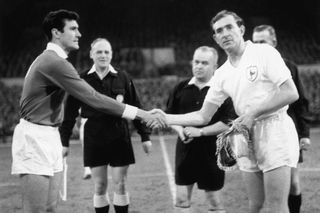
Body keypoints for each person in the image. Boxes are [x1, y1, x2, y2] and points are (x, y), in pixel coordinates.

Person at [11, 9, 163, 213]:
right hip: (35, 137)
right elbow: (93, 98)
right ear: (56, 33)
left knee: (49, 208)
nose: (79, 34)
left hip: (49, 135)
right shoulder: (53, 62)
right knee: (36, 210)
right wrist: (141, 114)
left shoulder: (55, 61)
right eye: (73, 29)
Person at [152, 10, 300, 213]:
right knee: (255, 205)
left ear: (241, 29)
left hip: (275, 130)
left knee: (276, 206)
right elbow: (202, 116)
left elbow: (290, 93)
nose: (225, 33)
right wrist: (166, 117)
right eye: (219, 30)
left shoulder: (263, 53)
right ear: (215, 38)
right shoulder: (222, 74)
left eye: (229, 27)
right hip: (246, 134)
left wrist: (252, 113)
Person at [59, 38, 152, 213]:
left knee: (121, 183)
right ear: (91, 54)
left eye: (106, 52)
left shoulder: (123, 77)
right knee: (100, 186)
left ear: (111, 54)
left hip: (119, 134)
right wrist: (64, 142)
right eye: (99, 52)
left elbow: (136, 107)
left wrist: (145, 136)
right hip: (94, 136)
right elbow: (69, 113)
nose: (103, 55)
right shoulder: (81, 79)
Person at [166, 46, 237, 213]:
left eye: (204, 63)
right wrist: (180, 131)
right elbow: (171, 116)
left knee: (214, 201)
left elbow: (228, 123)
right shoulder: (180, 88)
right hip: (185, 151)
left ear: (215, 66)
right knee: (182, 199)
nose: (198, 66)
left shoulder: (223, 90)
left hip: (213, 152)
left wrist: (201, 132)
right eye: (196, 62)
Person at [252, 25, 311, 213]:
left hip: (287, 132)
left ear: (274, 42)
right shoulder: (250, 70)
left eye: (263, 41)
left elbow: (300, 102)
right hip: (259, 134)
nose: (259, 46)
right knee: (264, 189)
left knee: (293, 183)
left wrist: (304, 134)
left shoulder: (288, 66)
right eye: (255, 42)